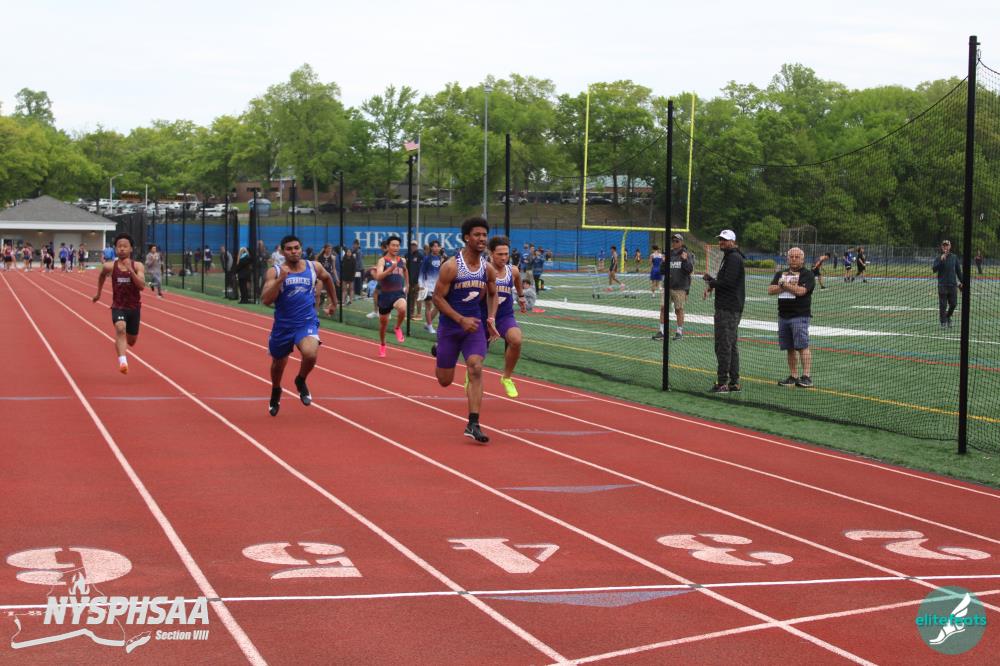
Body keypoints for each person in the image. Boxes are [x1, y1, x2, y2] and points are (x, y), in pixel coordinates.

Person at [432, 217, 499, 443]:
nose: (482, 239)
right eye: (477, 235)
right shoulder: (451, 266)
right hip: (451, 328)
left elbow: (493, 294)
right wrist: (460, 319)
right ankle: (439, 350)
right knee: (444, 380)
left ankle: (473, 423)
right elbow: (437, 298)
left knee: (476, 367)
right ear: (466, 238)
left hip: (474, 327)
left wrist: (491, 317)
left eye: (484, 235)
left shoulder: (487, 269)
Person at [261, 234, 338, 416]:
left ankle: (300, 380)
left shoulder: (313, 266)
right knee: (278, 364)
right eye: (289, 249)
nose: (294, 251)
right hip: (283, 326)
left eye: (297, 248)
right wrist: (280, 280)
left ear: (301, 249)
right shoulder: (275, 272)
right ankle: (276, 389)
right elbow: (266, 300)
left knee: (310, 354)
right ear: (282, 252)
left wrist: (334, 302)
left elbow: (327, 278)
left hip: (306, 321)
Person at [92, 233, 146, 375]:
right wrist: (98, 293)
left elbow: (141, 286)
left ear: (131, 249)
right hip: (118, 306)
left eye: (125, 246)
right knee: (120, 328)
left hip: (134, 308)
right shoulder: (109, 266)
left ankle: (123, 345)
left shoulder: (138, 265)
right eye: (119, 246)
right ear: (115, 249)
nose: (122, 249)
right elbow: (101, 276)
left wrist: (131, 271)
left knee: (131, 341)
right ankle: (123, 362)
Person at [702, 229, 745, 393]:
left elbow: (728, 283)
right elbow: (726, 281)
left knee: (723, 345)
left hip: (728, 308)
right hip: (729, 307)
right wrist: (712, 283)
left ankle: (723, 383)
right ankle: (733, 382)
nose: (721, 242)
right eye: (720, 239)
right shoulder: (731, 257)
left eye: (724, 240)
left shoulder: (733, 258)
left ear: (732, 242)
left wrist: (711, 282)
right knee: (730, 345)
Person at [769, 247, 816, 388]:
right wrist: (784, 286)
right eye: (791, 256)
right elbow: (770, 290)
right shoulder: (781, 274)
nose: (794, 259)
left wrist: (785, 285)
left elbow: (801, 291)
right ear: (787, 258)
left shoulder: (807, 274)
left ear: (802, 259)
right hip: (783, 316)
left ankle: (806, 376)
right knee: (789, 348)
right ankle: (793, 376)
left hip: (799, 315)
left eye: (797, 257)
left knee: (802, 346)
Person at [487, 236, 528, 398]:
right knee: (477, 356)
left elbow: (517, 280)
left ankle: (507, 377)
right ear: (491, 254)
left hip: (504, 315)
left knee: (516, 340)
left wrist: (521, 296)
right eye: (500, 254)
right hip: (484, 316)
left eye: (506, 254)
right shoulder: (483, 270)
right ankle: (472, 373)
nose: (504, 258)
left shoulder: (513, 270)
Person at [374, 236, 408, 357]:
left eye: (397, 245)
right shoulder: (382, 261)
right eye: (393, 245)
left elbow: (405, 270)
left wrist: (407, 284)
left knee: (403, 308)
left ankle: (397, 327)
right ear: (388, 247)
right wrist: (390, 269)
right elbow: (378, 276)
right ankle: (383, 344)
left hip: (398, 293)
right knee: (383, 325)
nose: (395, 247)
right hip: (385, 296)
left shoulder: (402, 260)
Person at [657, 234, 693, 340]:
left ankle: (679, 332)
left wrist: (685, 260)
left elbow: (689, 270)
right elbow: (662, 271)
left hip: (680, 287)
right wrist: (663, 262)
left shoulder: (686, 254)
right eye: (673, 241)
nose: (674, 243)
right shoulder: (669, 254)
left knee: (679, 310)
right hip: (667, 286)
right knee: (663, 308)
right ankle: (662, 331)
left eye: (677, 241)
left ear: (681, 242)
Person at [932, 239, 963, 329]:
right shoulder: (938, 258)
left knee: (953, 304)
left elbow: (958, 271)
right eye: (944, 245)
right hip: (942, 285)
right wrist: (941, 260)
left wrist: (962, 282)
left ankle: (948, 316)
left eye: (947, 245)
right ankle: (943, 322)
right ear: (942, 247)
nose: (945, 247)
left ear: (950, 246)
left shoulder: (954, 257)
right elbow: (934, 269)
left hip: (953, 285)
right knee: (943, 305)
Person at [420, 239, 444, 333]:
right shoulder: (427, 258)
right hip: (427, 286)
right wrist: (421, 285)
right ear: (431, 248)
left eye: (438, 246)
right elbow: (422, 272)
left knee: (438, 306)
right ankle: (430, 326)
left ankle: (427, 324)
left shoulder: (440, 258)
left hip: (437, 286)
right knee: (428, 305)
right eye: (434, 246)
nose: (436, 248)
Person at [316, 244, 339, 313]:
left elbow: (334, 269)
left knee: (329, 294)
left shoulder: (332, 257)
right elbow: (316, 263)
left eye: (330, 248)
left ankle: (327, 309)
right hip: (320, 277)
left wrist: (337, 279)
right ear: (325, 249)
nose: (329, 250)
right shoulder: (320, 256)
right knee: (318, 293)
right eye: (328, 248)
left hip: (328, 277)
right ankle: (316, 309)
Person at [406, 240, 424, 320]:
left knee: (418, 296)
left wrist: (420, 280)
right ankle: (411, 314)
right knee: (410, 297)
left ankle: (419, 314)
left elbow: (423, 268)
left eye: (414, 245)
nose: (413, 246)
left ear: (417, 246)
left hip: (418, 280)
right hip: (409, 280)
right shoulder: (407, 255)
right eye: (412, 245)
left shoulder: (420, 255)